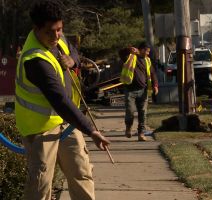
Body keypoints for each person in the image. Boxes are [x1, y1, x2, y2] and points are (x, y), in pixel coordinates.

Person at [15, 1, 110, 199]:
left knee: (82, 171)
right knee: (40, 185)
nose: (56, 36)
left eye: (59, 30)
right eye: (51, 32)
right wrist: (91, 130)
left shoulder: (57, 38)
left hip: (66, 122)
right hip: (40, 128)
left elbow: (73, 50)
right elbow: (59, 100)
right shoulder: (35, 60)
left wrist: (72, 59)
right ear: (36, 29)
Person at [120, 42, 158, 141]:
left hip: (143, 90)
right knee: (130, 111)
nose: (147, 53)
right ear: (140, 49)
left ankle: (141, 133)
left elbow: (153, 73)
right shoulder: (130, 57)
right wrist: (130, 49)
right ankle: (128, 128)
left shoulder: (147, 60)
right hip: (130, 90)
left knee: (143, 113)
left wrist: (155, 86)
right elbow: (121, 53)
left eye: (149, 51)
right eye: (146, 51)